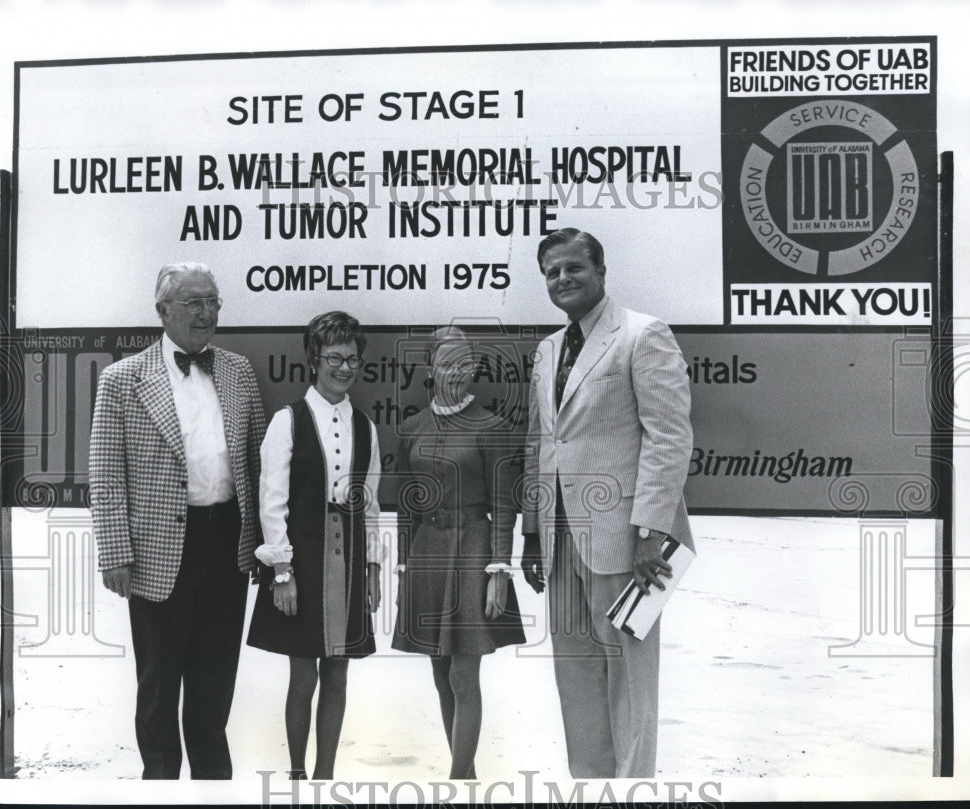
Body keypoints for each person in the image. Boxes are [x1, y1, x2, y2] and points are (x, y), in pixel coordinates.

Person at [520, 228, 694, 779]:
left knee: (629, 676)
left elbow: (669, 436)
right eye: (553, 272)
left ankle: (633, 786)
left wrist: (649, 532)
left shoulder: (643, 335)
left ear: (600, 271)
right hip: (560, 535)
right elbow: (540, 443)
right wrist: (531, 530)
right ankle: (590, 786)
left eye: (574, 267)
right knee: (575, 670)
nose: (563, 279)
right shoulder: (548, 350)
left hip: (627, 541)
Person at [88, 262, 265, 779]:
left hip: (227, 546)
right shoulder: (122, 380)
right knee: (159, 690)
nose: (206, 313)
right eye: (194, 303)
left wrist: (260, 545)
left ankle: (213, 785)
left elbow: (255, 463)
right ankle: (159, 785)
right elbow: (105, 474)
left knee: (214, 688)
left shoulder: (237, 371)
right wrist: (115, 552)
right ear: (162, 311)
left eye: (213, 301)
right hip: (155, 554)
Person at [246, 310, 383, 781]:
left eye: (352, 359)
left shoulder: (366, 427)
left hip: (347, 561)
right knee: (303, 674)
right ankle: (298, 772)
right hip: (302, 562)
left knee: (339, 673)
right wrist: (281, 573)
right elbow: (272, 502)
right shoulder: (288, 421)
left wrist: (372, 571)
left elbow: (371, 505)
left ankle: (326, 774)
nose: (344, 368)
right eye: (334, 358)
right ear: (314, 360)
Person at [392, 327, 526, 780]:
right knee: (439, 672)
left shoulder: (493, 427)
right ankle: (466, 777)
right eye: (447, 363)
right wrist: (403, 571)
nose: (459, 371)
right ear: (430, 370)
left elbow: (504, 506)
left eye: (466, 362)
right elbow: (407, 507)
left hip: (474, 551)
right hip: (427, 553)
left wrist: (499, 572)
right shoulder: (410, 428)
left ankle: (457, 782)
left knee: (463, 676)